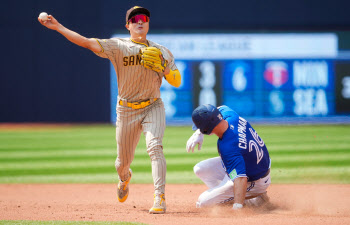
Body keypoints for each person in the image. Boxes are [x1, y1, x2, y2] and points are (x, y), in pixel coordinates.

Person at [38, 6, 181, 214]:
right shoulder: (118, 46)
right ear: (128, 26)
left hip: (153, 106)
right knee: (122, 163)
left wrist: (164, 68)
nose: (139, 21)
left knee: (155, 147)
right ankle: (124, 178)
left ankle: (159, 197)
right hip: (126, 111)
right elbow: (86, 42)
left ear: (148, 23)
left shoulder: (162, 51)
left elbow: (176, 80)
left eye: (143, 18)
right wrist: (58, 26)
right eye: (134, 19)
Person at [186, 104, 271, 210]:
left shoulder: (229, 146)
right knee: (200, 169)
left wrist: (238, 207)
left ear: (206, 129)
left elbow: (240, 179)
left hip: (254, 181)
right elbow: (220, 108)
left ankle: (254, 200)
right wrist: (199, 133)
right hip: (250, 165)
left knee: (203, 203)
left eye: (200, 128)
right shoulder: (231, 116)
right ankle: (225, 194)